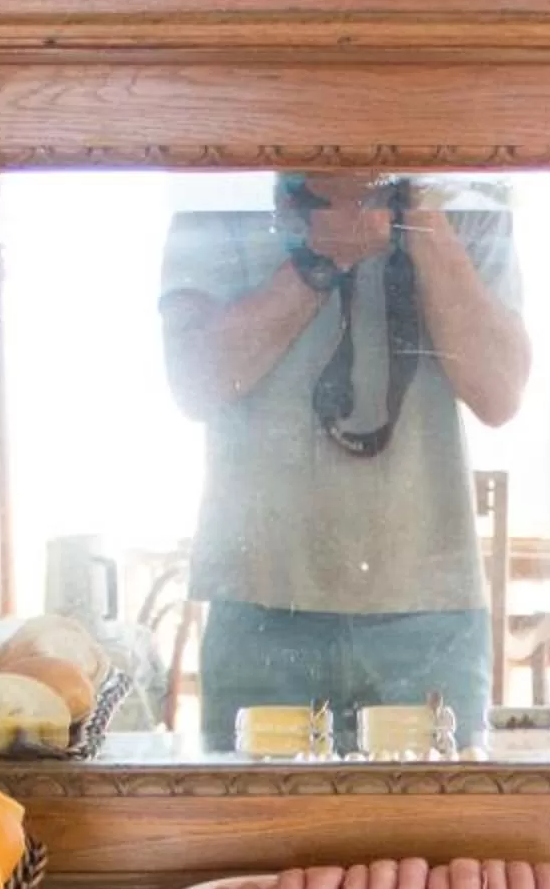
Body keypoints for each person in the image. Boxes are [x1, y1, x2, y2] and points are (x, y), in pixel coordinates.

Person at [160, 172, 530, 752]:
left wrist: (419, 220)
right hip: (261, 595)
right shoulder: (225, 182)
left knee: (436, 815)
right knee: (249, 815)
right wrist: (317, 259)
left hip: (428, 603)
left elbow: (500, 392)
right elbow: (194, 384)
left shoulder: (461, 186)